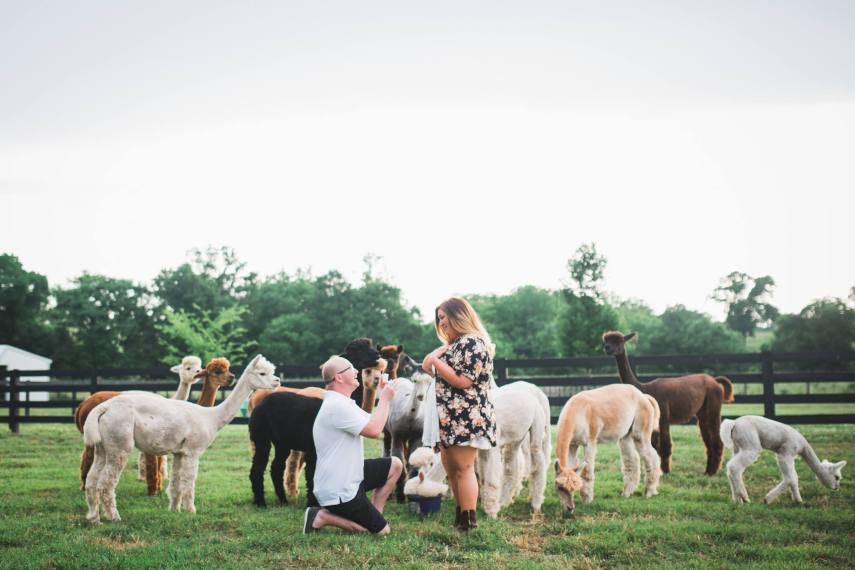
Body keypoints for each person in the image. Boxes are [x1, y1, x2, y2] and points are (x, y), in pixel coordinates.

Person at [303, 355, 402, 535]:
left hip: (350, 475)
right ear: (339, 377)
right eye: (351, 368)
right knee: (382, 532)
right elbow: (373, 431)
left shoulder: (343, 403)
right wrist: (386, 400)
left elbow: (374, 423)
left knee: (395, 465)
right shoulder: (336, 406)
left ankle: (374, 515)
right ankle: (321, 517)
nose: (356, 371)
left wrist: (381, 396)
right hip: (339, 490)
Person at [421, 296, 496, 532]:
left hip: (466, 417)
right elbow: (427, 367)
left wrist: (437, 360)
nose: (440, 322)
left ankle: (469, 521)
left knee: (463, 469)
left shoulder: (474, 343)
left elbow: (463, 381)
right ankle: (460, 514)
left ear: (458, 315)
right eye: (438, 319)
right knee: (451, 468)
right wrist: (436, 355)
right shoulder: (456, 344)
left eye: (443, 317)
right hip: (449, 418)